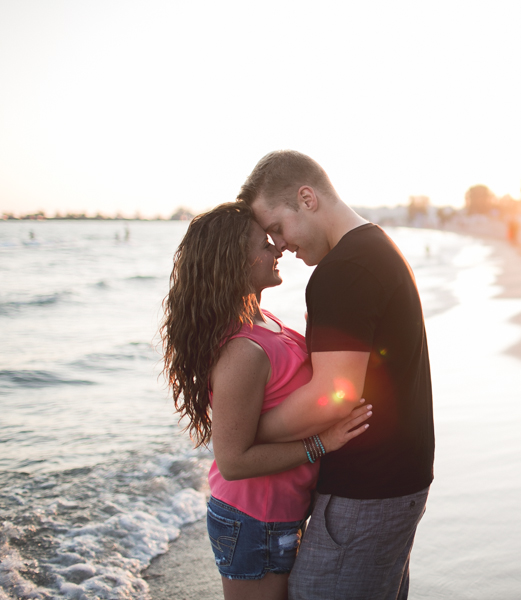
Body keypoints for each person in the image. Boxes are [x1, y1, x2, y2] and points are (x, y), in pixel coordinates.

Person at [237, 150, 434, 600]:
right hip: (395, 481)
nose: (280, 245)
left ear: (306, 198)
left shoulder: (342, 272)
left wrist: (249, 433)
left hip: (367, 490)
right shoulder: (376, 246)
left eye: (277, 229)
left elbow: (334, 394)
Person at [160, 201, 372, 600]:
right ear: (237, 263)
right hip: (252, 519)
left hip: (279, 512)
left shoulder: (266, 320)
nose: (278, 248)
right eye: (265, 243)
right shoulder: (242, 350)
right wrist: (321, 444)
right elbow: (234, 461)